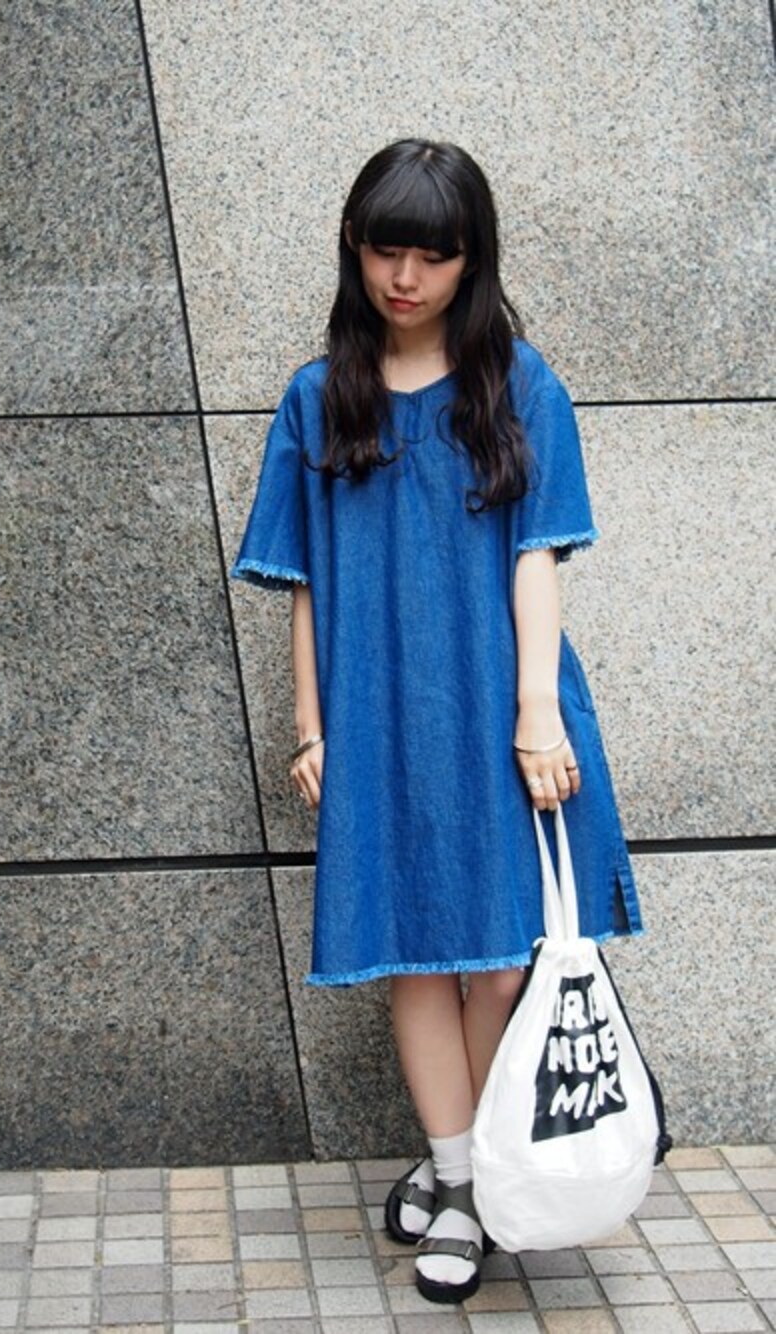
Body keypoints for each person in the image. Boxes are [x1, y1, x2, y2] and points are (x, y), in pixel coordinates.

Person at [229, 138, 643, 1306]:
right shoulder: (319, 397)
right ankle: (461, 1181)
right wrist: (310, 724)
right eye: (384, 250)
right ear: (352, 248)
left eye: (433, 255)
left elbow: (535, 555)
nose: (404, 277)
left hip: (498, 705)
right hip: (377, 712)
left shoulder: (519, 385)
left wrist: (535, 715)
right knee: (413, 952)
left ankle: (470, 1157)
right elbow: (306, 580)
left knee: (501, 964)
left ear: (472, 259)